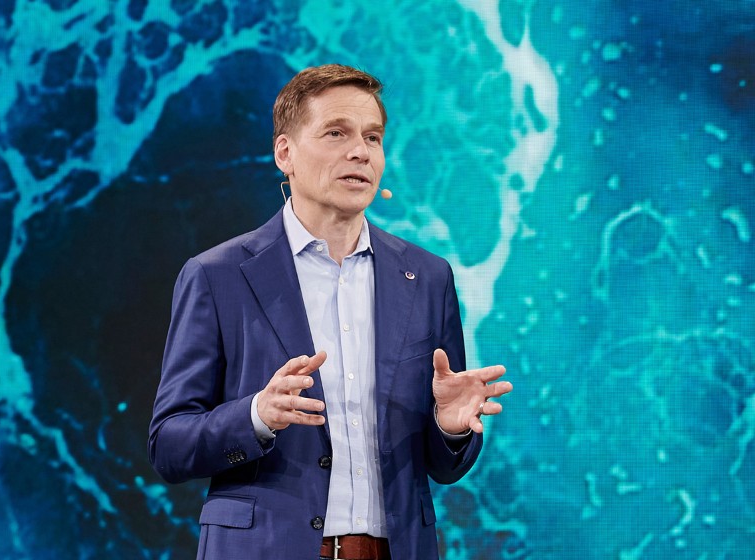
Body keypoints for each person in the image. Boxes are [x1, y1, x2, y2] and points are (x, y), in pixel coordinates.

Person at [147, 64, 514, 560]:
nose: (360, 151)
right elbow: (169, 445)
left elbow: (443, 467)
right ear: (285, 154)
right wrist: (257, 416)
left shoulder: (427, 277)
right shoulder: (218, 276)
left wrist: (448, 425)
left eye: (372, 137)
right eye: (336, 133)